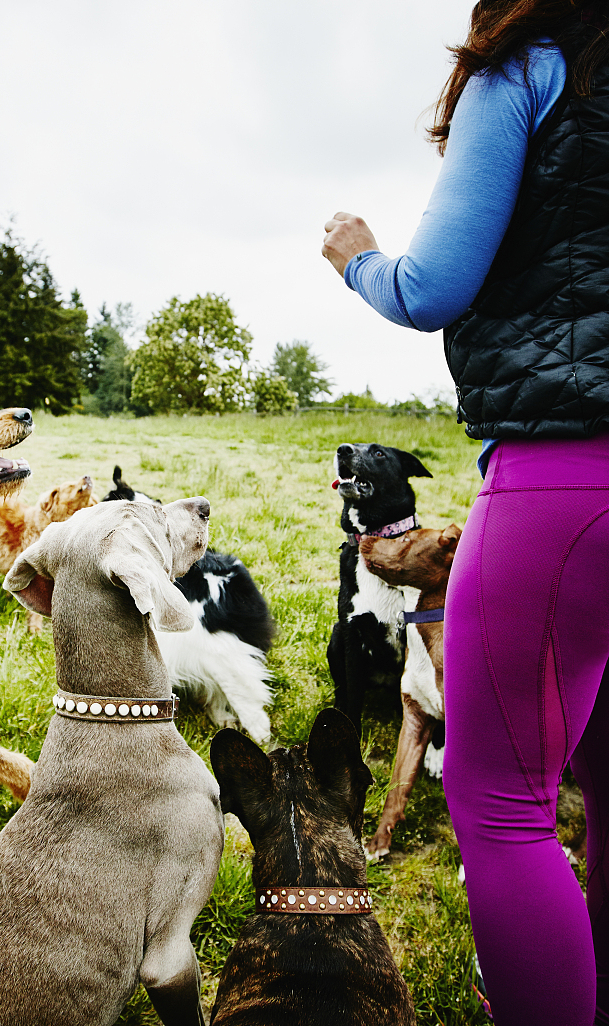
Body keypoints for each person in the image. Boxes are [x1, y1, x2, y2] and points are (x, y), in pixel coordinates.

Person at [321, 2, 609, 1023]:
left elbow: (431, 285)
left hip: (567, 480)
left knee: (498, 802)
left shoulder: (532, 61)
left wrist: (356, 256)